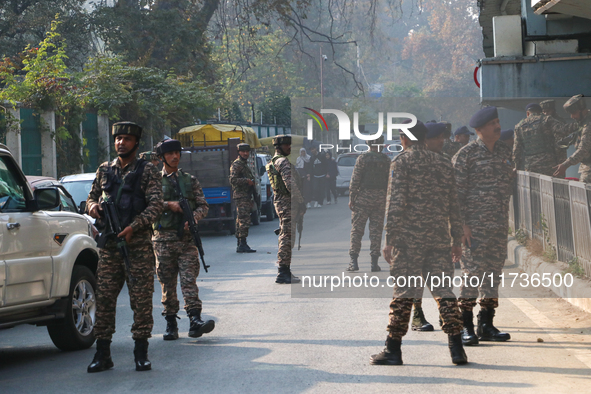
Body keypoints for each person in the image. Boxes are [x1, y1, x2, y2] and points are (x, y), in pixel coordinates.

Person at [370, 121, 467, 366]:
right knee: (444, 292)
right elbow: (454, 205)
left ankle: (393, 349)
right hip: (438, 239)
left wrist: (389, 239)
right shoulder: (444, 163)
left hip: (408, 240)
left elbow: (396, 203)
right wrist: (456, 240)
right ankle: (457, 348)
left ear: (405, 138)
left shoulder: (401, 163)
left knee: (404, 293)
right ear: (424, 137)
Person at [86, 121, 163, 373]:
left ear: (136, 143)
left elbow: (155, 206)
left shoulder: (148, 171)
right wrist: (93, 207)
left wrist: (134, 226)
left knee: (140, 301)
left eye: (127, 139)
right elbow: (90, 197)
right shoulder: (104, 170)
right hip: (109, 246)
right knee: (105, 298)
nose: (121, 142)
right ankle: (103, 353)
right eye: (118, 138)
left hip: (137, 246)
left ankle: (141, 352)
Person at [452, 106, 513, 346]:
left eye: (498, 122)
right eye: (492, 124)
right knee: (472, 276)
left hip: (498, 225)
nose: (497, 126)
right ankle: (466, 326)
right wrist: (463, 226)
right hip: (474, 228)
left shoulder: (504, 151)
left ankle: (486, 323)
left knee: (493, 276)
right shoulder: (465, 155)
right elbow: (456, 195)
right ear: (479, 130)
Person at [152, 138, 215, 341]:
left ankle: (195, 320)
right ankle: (171, 322)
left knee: (189, 280)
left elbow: (203, 205)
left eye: (177, 153)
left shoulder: (189, 180)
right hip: (163, 240)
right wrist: (167, 205)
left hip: (186, 240)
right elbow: (145, 205)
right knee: (167, 283)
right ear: (162, 157)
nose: (175, 156)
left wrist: (194, 218)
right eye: (170, 154)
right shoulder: (153, 181)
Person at [347, 135, 390, 273]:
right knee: (376, 231)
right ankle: (374, 263)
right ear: (381, 144)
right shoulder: (386, 160)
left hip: (363, 198)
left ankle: (353, 262)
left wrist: (352, 197)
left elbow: (355, 179)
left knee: (357, 230)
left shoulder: (362, 159)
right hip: (380, 199)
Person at [266, 135, 305, 284]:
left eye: (290, 144)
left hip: (283, 202)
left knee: (286, 235)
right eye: (286, 145)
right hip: (287, 203)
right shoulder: (282, 162)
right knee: (287, 237)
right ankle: (283, 272)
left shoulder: (275, 161)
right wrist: (300, 202)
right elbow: (290, 184)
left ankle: (285, 270)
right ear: (278, 147)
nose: (289, 147)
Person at [513, 103, 561, 176]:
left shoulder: (519, 126)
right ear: (540, 112)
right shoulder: (546, 120)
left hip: (530, 166)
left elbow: (516, 149)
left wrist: (516, 166)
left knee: (533, 186)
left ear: (527, 113)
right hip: (548, 164)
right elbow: (561, 132)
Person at [553, 95, 591, 182]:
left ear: (581, 110)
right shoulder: (583, 122)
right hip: (586, 165)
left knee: (584, 191)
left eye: (573, 113)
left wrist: (565, 165)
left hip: (589, 168)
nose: (572, 117)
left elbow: (583, 149)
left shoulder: (588, 125)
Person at [229, 143, 257, 253]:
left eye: (247, 151)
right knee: (244, 220)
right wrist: (247, 181)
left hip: (245, 196)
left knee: (240, 220)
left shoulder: (244, 164)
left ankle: (240, 243)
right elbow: (233, 180)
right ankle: (242, 244)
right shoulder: (237, 164)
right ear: (239, 152)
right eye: (243, 151)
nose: (245, 153)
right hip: (241, 196)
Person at [541, 99, 567, 164]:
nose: (546, 113)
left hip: (559, 153)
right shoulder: (541, 122)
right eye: (544, 112)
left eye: (548, 111)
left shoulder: (560, 121)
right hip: (546, 153)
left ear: (553, 110)